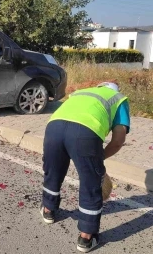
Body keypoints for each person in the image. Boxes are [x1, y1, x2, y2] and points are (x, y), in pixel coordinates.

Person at [40, 82, 130, 253]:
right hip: (85, 134)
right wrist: (98, 158)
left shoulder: (82, 92)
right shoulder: (119, 99)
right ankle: (86, 238)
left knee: (53, 171)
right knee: (91, 184)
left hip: (53, 127)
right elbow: (118, 140)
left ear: (100, 86)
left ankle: (48, 210)